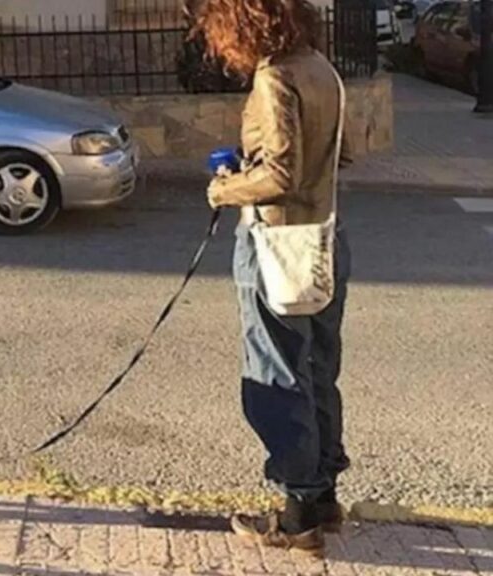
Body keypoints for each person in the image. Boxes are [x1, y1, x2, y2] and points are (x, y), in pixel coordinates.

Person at [195, 0, 353, 556]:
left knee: (276, 373)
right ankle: (324, 496)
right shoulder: (322, 69)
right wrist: (255, 159)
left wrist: (225, 187)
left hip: (278, 243)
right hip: (326, 239)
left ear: (242, 24)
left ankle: (297, 515)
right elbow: (340, 154)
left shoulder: (275, 76)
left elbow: (281, 173)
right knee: (317, 366)